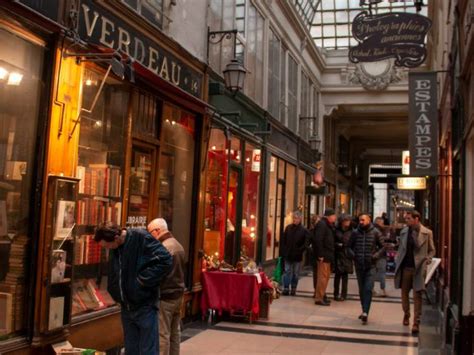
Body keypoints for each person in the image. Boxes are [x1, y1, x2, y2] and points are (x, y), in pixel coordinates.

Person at [94, 222, 173, 355]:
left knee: (148, 350)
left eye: (107, 245)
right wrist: (115, 292)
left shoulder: (140, 237)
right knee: (131, 350)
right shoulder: (116, 246)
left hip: (144, 305)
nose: (107, 249)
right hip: (126, 306)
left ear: (115, 238)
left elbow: (165, 260)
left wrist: (141, 281)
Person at [147, 218, 185, 355]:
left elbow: (159, 274)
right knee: (175, 333)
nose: (149, 235)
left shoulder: (164, 248)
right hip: (178, 295)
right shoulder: (177, 245)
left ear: (157, 231)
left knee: (162, 334)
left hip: (165, 297)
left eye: (150, 232)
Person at [394, 210, 435, 335]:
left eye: (408, 218)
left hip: (418, 268)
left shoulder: (427, 233)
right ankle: (406, 314)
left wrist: (428, 259)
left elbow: (432, 250)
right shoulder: (404, 232)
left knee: (417, 295)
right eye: (406, 218)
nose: (406, 221)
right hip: (406, 267)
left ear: (416, 219)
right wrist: (397, 258)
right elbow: (401, 248)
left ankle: (416, 321)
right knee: (404, 293)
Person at [349, 213, 385, 324]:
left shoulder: (375, 232)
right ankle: (364, 310)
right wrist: (354, 256)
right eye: (360, 220)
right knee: (361, 290)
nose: (361, 222)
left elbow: (383, 247)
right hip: (359, 265)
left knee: (368, 288)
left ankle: (365, 312)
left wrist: (375, 256)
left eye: (363, 220)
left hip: (371, 265)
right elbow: (349, 247)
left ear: (369, 220)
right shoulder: (355, 233)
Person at [280, 211, 309, 296]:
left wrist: (300, 250)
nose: (294, 220)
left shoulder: (303, 230)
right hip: (288, 254)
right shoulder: (288, 228)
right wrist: (284, 250)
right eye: (293, 218)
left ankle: (293, 288)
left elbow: (305, 243)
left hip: (297, 255)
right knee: (287, 271)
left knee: (296, 273)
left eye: (296, 218)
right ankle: (286, 288)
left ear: (300, 219)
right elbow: (284, 240)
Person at [313, 208, 336, 306]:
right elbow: (318, 240)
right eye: (334, 215)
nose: (335, 217)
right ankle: (319, 298)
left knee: (325, 277)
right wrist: (320, 254)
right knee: (322, 278)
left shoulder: (328, 225)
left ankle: (322, 296)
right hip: (324, 256)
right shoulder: (322, 225)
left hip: (328, 255)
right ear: (329, 216)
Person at [333, 214, 354, 301]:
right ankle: (336, 293)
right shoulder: (336, 230)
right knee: (337, 276)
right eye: (346, 221)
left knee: (345, 276)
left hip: (347, 255)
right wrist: (337, 245)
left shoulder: (352, 231)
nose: (347, 223)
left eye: (348, 221)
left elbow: (353, 243)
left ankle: (343, 294)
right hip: (338, 254)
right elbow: (332, 241)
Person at [373, 217, 388, 297]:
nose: (383, 225)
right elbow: (382, 244)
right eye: (382, 223)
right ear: (378, 222)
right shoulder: (379, 231)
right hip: (380, 254)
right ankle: (382, 290)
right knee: (382, 272)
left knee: (373, 272)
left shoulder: (372, 230)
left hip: (374, 254)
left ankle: (372, 289)